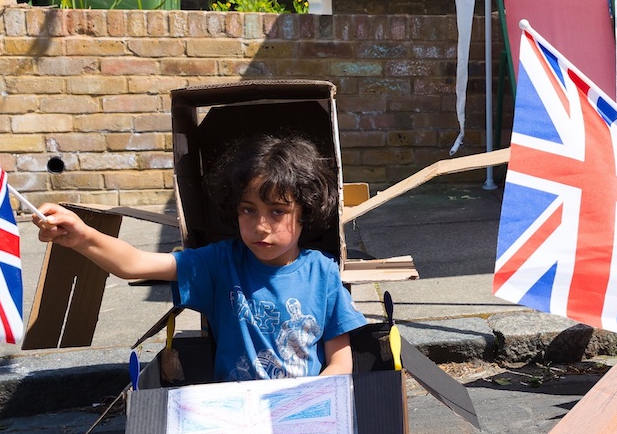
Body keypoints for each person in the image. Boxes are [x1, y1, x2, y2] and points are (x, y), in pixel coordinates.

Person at [33, 134, 367, 382]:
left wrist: (308, 399)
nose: (260, 226)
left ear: (305, 212)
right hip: (234, 415)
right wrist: (82, 236)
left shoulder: (322, 273)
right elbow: (134, 264)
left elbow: (341, 362)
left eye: (277, 212)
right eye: (248, 210)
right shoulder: (221, 263)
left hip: (303, 412)